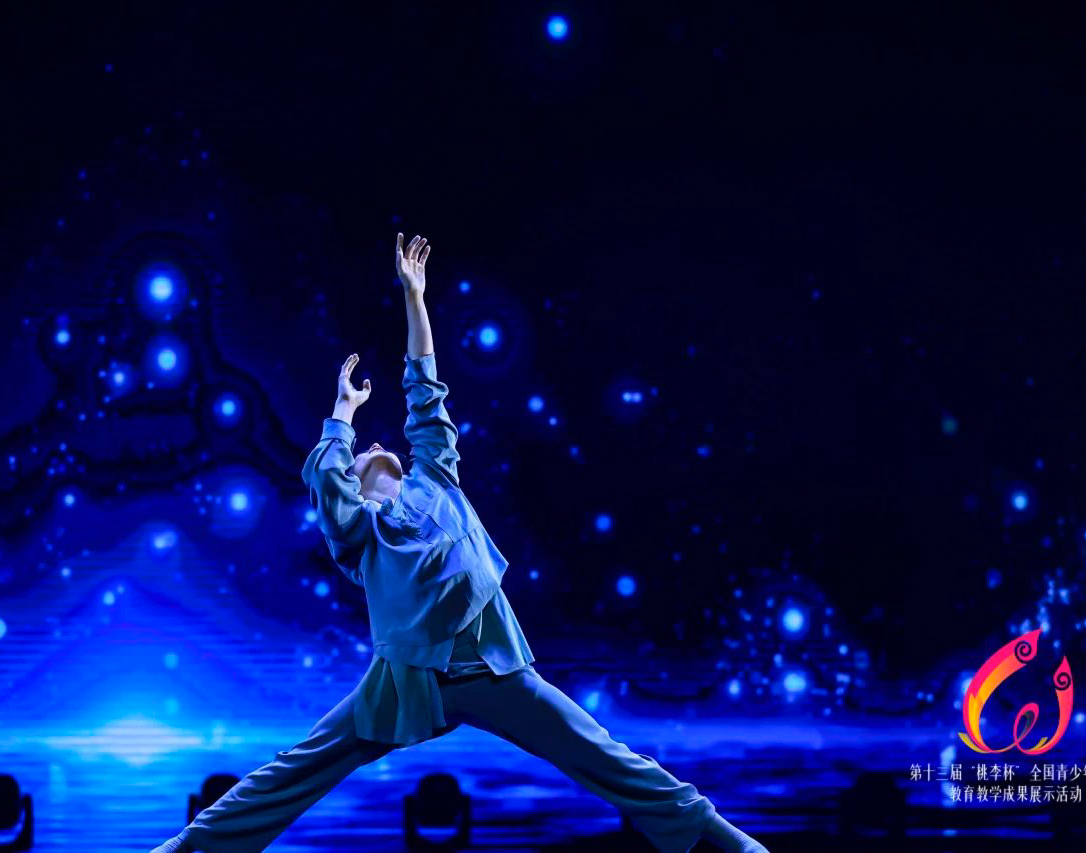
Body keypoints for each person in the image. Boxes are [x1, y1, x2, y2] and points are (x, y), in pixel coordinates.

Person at [151, 234, 767, 853]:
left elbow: (425, 387)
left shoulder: (435, 477)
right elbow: (330, 490)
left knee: (601, 752)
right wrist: (342, 415)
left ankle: (729, 843)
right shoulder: (361, 531)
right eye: (363, 453)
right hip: (405, 681)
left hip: (490, 665)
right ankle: (185, 849)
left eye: (374, 445)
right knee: (298, 766)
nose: (375, 446)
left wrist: (414, 298)